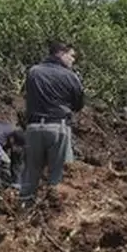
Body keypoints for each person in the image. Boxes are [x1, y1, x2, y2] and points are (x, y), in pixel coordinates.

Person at [19, 42, 85, 207]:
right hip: (58, 127)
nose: (73, 60)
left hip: (33, 128)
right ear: (61, 54)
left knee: (30, 173)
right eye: (72, 56)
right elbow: (78, 104)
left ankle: (23, 212)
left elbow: (27, 96)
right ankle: (54, 215)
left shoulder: (33, 72)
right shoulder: (70, 76)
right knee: (59, 175)